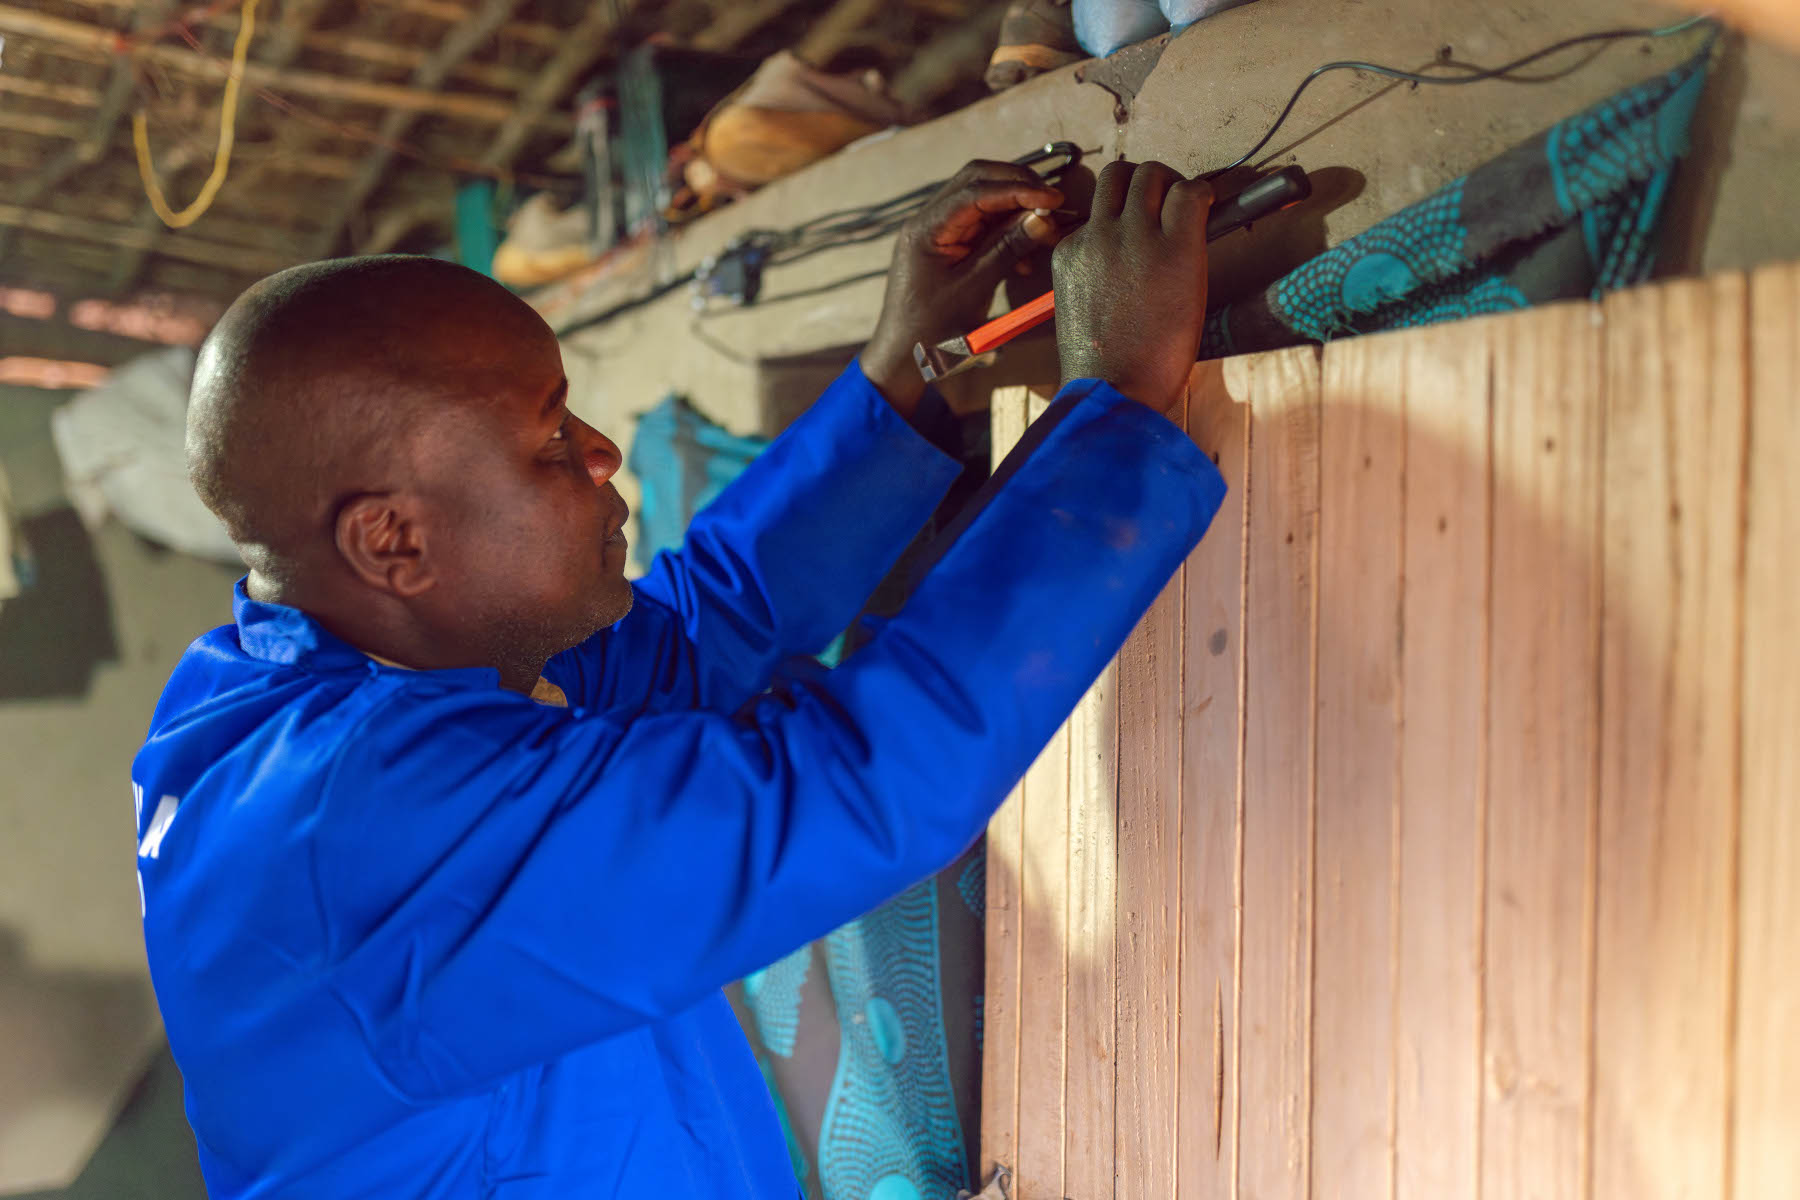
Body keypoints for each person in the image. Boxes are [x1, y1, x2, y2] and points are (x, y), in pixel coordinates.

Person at [133, 157, 1225, 1199]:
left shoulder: (343, 670)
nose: (604, 453)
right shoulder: (358, 825)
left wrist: (908, 366)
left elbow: (699, 635)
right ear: (394, 542)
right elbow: (853, 788)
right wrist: (1117, 405)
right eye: (550, 439)